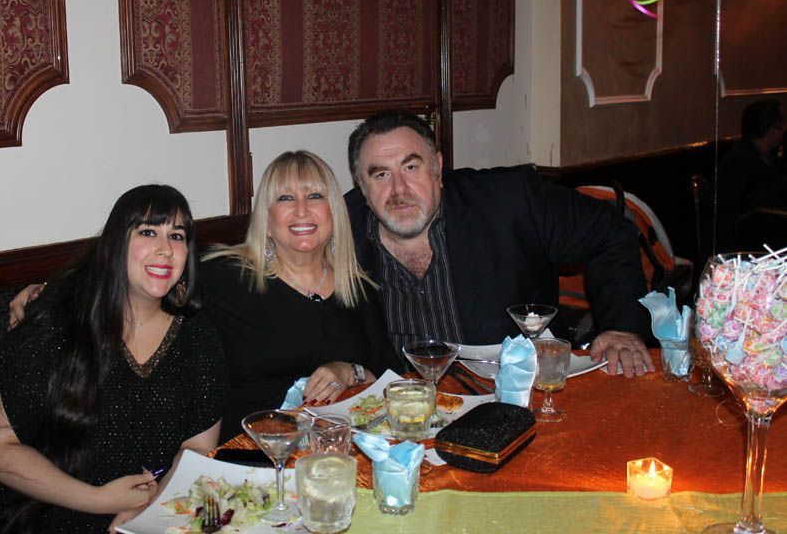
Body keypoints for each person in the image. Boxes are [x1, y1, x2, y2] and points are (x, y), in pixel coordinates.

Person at [0, 185, 226, 533]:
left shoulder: (197, 335)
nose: (165, 250)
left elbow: (197, 448)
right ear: (115, 244)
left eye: (177, 236)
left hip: (159, 514)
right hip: (51, 515)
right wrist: (97, 500)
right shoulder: (54, 327)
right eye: (148, 232)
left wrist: (150, 508)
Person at [344, 110, 655, 377]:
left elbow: (609, 230)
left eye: (411, 167)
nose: (399, 189)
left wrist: (621, 328)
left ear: (438, 169)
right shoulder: (341, 233)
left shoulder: (508, 202)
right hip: (403, 417)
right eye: (381, 174)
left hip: (516, 394)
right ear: (362, 187)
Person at [201, 150, 403, 440]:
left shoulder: (358, 288)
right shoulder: (222, 278)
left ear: (334, 212)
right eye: (285, 198)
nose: (301, 210)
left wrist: (348, 372)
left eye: (315, 196)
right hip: (252, 456)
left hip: (337, 452)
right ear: (267, 220)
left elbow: (391, 382)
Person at [717, 100, 787, 251]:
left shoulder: (762, 156)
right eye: (782, 125)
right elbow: (762, 213)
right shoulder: (741, 163)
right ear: (771, 130)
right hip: (748, 245)